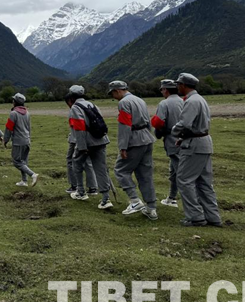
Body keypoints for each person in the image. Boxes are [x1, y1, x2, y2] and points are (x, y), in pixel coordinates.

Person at [173, 73, 222, 227]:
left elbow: (185, 124)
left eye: (178, 84)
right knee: (204, 182)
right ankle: (213, 216)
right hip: (204, 142)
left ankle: (195, 217)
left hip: (194, 145)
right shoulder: (200, 99)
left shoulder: (191, 101)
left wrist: (174, 131)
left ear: (183, 85)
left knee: (184, 180)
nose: (177, 87)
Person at [108, 81, 158, 221]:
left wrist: (123, 147)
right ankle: (151, 208)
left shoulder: (124, 103)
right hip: (147, 138)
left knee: (120, 170)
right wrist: (149, 135)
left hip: (134, 140)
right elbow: (148, 121)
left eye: (112, 93)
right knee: (145, 174)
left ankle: (134, 200)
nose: (113, 97)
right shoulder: (139, 100)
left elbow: (125, 125)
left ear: (118, 91)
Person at [66, 85, 113, 209]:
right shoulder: (92, 105)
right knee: (101, 169)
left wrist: (82, 146)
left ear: (71, 96)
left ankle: (81, 192)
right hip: (101, 140)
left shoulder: (75, 107)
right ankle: (106, 199)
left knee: (76, 164)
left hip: (87, 142)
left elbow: (79, 128)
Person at [151, 79, 184, 208]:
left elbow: (159, 122)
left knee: (180, 171)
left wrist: (158, 132)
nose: (161, 92)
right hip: (185, 138)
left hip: (172, 139)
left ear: (165, 90)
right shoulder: (184, 101)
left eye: (162, 89)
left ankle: (192, 202)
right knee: (174, 171)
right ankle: (171, 197)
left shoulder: (164, 103)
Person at [64, 86, 98, 196]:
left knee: (71, 161)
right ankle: (93, 187)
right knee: (88, 162)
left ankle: (75, 186)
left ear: (70, 99)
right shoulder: (90, 105)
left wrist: (80, 144)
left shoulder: (74, 109)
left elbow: (76, 127)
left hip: (77, 140)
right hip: (90, 139)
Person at [3, 93, 39, 187]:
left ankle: (32, 175)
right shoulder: (27, 113)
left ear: (15, 102)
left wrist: (5, 140)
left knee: (16, 162)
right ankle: (24, 181)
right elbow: (29, 128)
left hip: (18, 141)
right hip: (26, 140)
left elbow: (9, 128)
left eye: (13, 100)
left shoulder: (13, 113)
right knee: (23, 162)